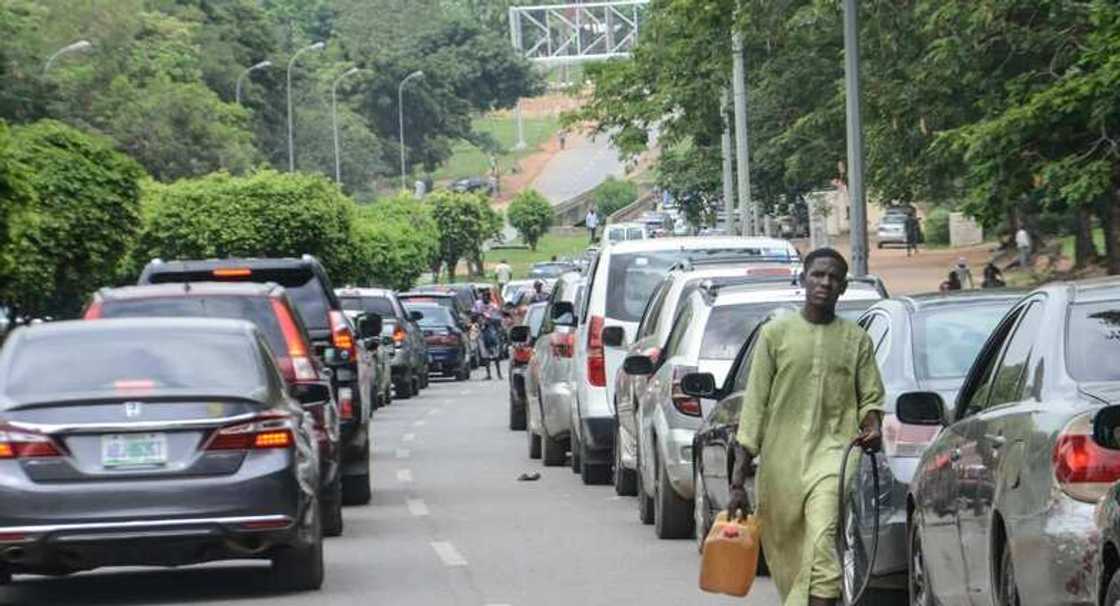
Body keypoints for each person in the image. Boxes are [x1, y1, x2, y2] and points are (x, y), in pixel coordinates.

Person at [725, 248, 884, 606]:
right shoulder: (774, 335)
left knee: (823, 540)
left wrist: (872, 428)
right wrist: (737, 484)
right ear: (803, 279)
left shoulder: (856, 340)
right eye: (818, 275)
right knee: (791, 559)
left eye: (833, 278)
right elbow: (754, 410)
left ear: (842, 288)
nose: (825, 283)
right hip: (780, 467)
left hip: (833, 457)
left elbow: (871, 400)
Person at [472, 292, 503, 380]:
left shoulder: (494, 307)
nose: (485, 299)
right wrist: (478, 315)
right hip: (481, 332)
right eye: (483, 297)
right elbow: (473, 317)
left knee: (496, 354)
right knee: (485, 355)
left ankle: (499, 373)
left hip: (492, 333)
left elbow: (498, 320)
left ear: (489, 298)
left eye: (487, 297)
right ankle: (488, 374)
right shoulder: (478, 305)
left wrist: (490, 319)